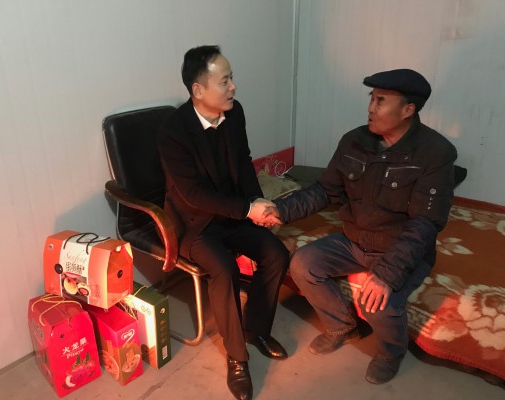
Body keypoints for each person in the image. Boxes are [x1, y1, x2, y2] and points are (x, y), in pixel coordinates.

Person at [272, 69, 457, 384]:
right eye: (371, 99)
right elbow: (325, 190)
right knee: (303, 263)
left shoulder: (435, 153)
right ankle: (343, 326)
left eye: (380, 101)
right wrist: (280, 210)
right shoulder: (354, 141)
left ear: (408, 109)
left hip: (399, 248)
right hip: (355, 240)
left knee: (377, 304)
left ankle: (391, 352)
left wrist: (386, 274)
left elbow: (425, 224)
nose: (370, 108)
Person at [158, 45, 289, 400]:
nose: (233, 87)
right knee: (224, 269)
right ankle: (237, 358)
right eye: (225, 81)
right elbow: (192, 194)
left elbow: (244, 162)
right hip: (195, 223)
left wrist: (258, 204)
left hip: (234, 211)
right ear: (198, 89)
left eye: (232, 78)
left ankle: (255, 329)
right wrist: (247, 210)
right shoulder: (173, 131)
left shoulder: (235, 112)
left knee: (276, 254)